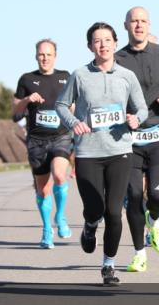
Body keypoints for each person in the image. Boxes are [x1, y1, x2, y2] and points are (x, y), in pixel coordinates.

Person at [56, 22, 147, 286]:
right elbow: (61, 104)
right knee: (94, 208)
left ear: (115, 44)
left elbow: (141, 108)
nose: (103, 45)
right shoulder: (80, 75)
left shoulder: (127, 76)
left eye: (107, 40)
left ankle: (108, 265)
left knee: (114, 211)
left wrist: (135, 119)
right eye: (97, 41)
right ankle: (89, 225)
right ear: (90, 46)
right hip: (88, 152)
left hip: (120, 150)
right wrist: (74, 122)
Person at [115, 7, 159, 272]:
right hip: (129, 139)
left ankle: (154, 220)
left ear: (148, 24)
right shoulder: (116, 60)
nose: (139, 25)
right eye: (134, 21)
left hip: (158, 136)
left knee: (156, 193)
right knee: (132, 195)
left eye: (143, 21)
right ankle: (139, 254)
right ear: (126, 25)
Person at [13, 39, 73, 249]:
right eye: (41, 54)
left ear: (55, 56)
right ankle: (47, 229)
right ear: (36, 56)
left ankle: (61, 216)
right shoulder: (26, 79)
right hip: (37, 140)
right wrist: (28, 99)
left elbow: (73, 108)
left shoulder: (66, 77)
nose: (45, 58)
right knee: (43, 190)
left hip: (61, 136)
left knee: (59, 175)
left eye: (48, 54)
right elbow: (15, 112)